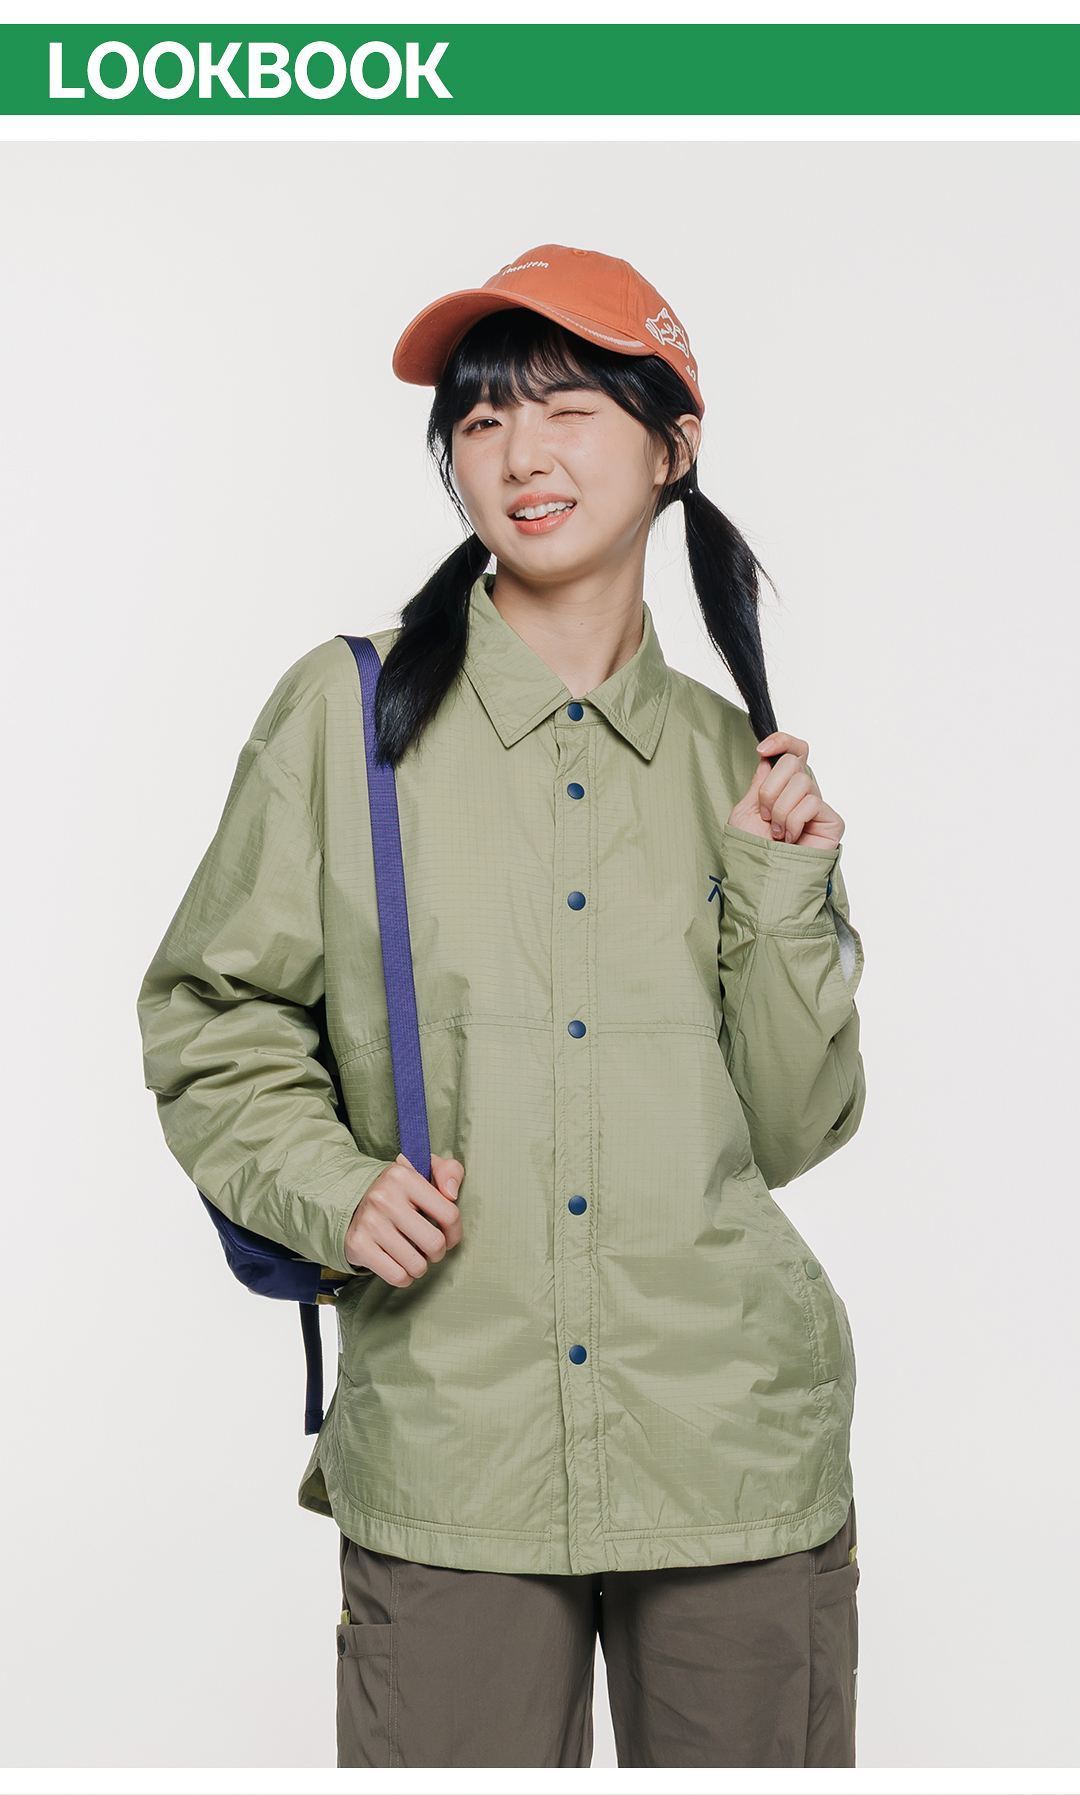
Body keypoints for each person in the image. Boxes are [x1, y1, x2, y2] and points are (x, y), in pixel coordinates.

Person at [138, 243, 866, 1770]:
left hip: (733, 1445)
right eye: (481, 420)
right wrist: (332, 1186)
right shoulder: (347, 713)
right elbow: (215, 1015)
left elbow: (791, 1129)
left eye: (570, 408)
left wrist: (784, 889)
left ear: (672, 447)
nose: (522, 453)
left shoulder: (735, 760)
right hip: (453, 1453)